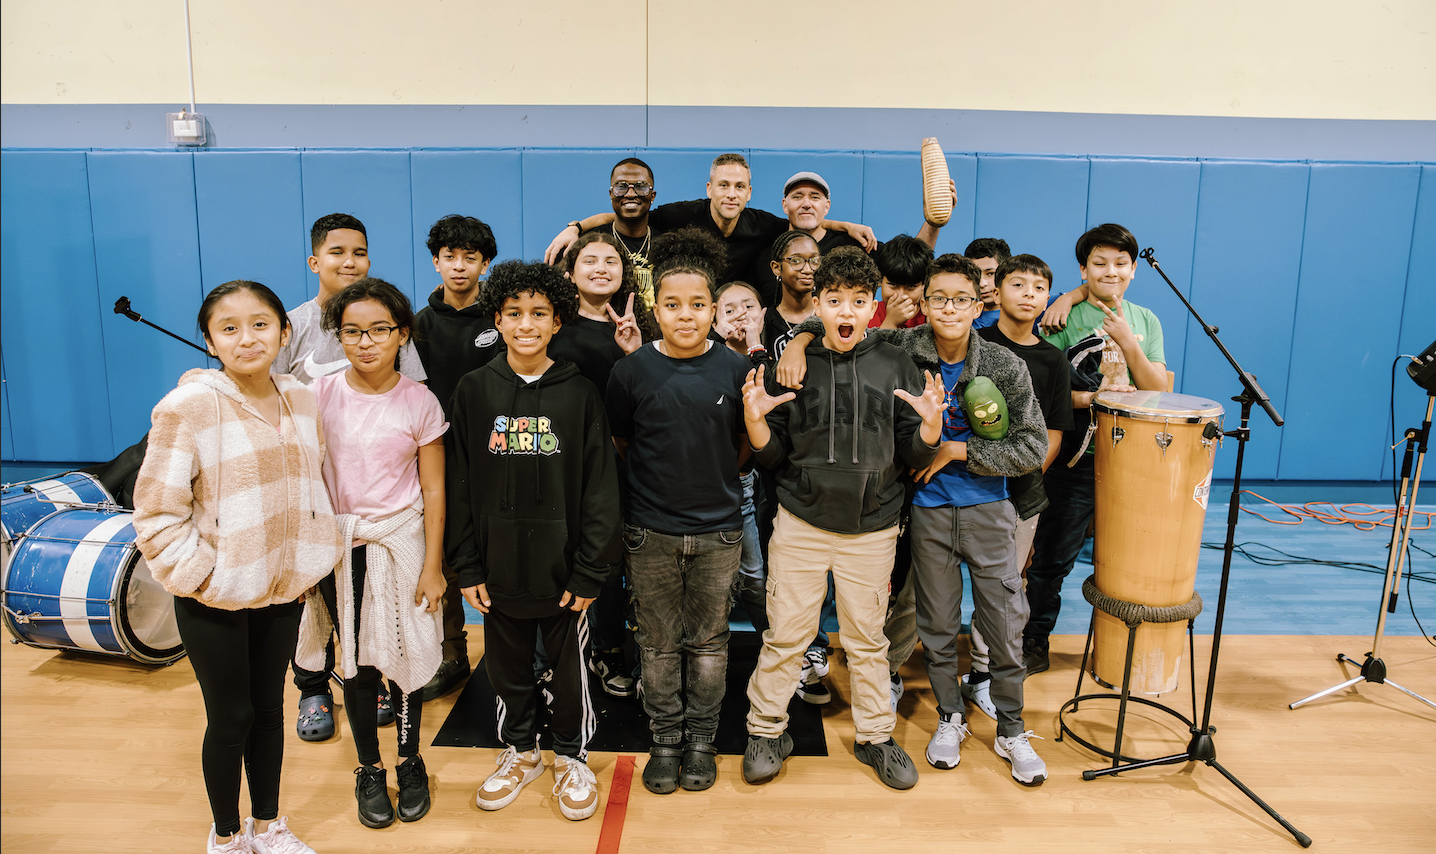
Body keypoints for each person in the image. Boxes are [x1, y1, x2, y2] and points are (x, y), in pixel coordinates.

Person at [133, 280, 335, 854]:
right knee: (231, 716)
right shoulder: (188, 407)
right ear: (210, 341)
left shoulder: (300, 397)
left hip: (280, 588)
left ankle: (269, 828)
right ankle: (226, 837)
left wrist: (304, 564)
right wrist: (204, 576)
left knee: (270, 711)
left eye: (260, 324)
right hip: (213, 595)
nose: (247, 338)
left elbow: (309, 489)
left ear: (284, 331)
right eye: (230, 328)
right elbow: (154, 511)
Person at [740, 246, 944, 792]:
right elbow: (772, 456)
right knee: (786, 634)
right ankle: (766, 728)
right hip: (801, 523)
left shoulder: (898, 362)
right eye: (834, 301)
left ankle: (876, 737)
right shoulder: (792, 363)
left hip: (872, 529)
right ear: (819, 304)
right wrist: (756, 423)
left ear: (873, 302)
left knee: (866, 639)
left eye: (858, 300)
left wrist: (928, 431)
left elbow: (914, 455)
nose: (846, 311)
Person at [448, 260, 621, 822]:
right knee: (506, 668)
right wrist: (466, 565)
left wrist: (591, 569)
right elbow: (459, 482)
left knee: (570, 672)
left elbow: (599, 488)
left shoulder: (580, 394)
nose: (527, 323)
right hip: (496, 570)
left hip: (563, 571)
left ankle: (571, 755)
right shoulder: (474, 390)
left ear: (556, 322)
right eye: (515, 313)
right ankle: (521, 751)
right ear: (496, 319)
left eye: (539, 313)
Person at [867, 255, 1049, 783]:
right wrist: (806, 340)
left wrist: (956, 452)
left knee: (1003, 624)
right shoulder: (902, 348)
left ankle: (1011, 729)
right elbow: (832, 326)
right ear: (923, 302)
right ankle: (950, 717)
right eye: (939, 298)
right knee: (938, 626)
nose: (949, 308)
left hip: (990, 510)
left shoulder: (1003, 365)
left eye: (961, 299)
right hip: (925, 513)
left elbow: (1032, 447)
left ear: (978, 304)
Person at [296, 278, 447, 829]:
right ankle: (368, 766)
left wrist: (433, 567)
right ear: (338, 336)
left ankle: (409, 761)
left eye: (379, 330)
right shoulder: (318, 395)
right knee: (356, 664)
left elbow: (434, 490)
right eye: (352, 331)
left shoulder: (420, 401)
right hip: (342, 548)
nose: (366, 342)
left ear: (401, 335)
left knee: (406, 661)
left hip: (401, 544)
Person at [607, 230, 751, 794]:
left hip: (718, 531)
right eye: (672, 305)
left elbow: (743, 446)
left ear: (714, 310)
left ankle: (701, 740)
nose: (685, 316)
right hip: (650, 533)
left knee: (711, 643)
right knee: (659, 643)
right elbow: (624, 442)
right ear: (655, 310)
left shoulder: (737, 370)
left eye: (697, 305)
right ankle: (665, 738)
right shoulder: (631, 372)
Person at [276, 213, 424, 739]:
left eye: (358, 252)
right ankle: (313, 686)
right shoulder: (290, 326)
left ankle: (369, 677)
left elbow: (409, 397)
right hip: (317, 494)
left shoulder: (384, 317)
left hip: (375, 497)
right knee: (315, 600)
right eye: (336, 252)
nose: (349, 262)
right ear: (315, 261)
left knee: (369, 606)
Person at [1023, 224, 1167, 674]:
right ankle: (1033, 641)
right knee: (1052, 561)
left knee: (1129, 564)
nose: (1111, 271)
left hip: (1133, 463)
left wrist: (1129, 344)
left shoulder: (1145, 320)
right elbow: (1041, 392)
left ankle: (1118, 649)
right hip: (1076, 461)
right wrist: (1094, 397)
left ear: (1134, 270)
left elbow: (1158, 388)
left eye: (1120, 263)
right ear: (1084, 269)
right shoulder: (1060, 317)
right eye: (1099, 263)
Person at [963, 253, 1072, 718]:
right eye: (1019, 285)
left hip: (1019, 492)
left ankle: (983, 673)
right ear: (997, 291)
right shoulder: (974, 341)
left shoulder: (1052, 359)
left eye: (1038, 288)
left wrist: (1017, 475)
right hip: (959, 485)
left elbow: (1054, 434)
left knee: (1004, 587)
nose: (1029, 295)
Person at [544, 154, 876, 303]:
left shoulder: (762, 224)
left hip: (736, 310)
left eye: (739, 187)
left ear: (748, 193)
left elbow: (801, 222)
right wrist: (576, 227)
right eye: (723, 185)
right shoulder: (681, 215)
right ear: (709, 188)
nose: (731, 194)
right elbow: (629, 211)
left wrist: (842, 224)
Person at [554, 230, 653, 696]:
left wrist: (634, 349)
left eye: (610, 260)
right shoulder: (552, 324)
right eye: (589, 260)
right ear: (570, 272)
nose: (600, 267)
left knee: (613, 562)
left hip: (625, 462)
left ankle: (608, 648)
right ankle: (549, 655)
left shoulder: (643, 326)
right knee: (561, 559)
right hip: (565, 465)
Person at [411, 214, 501, 701]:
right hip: (436, 457)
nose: (460, 266)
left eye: (470, 257)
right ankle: (450, 654)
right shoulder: (417, 327)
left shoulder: (503, 316)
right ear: (436, 262)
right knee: (441, 557)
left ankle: (512, 653)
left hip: (496, 452)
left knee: (498, 553)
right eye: (451, 257)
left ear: (485, 264)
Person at [871, 234, 936, 329]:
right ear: (880, 280)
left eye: (911, 287)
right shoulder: (869, 314)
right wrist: (891, 323)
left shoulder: (932, 316)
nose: (901, 296)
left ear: (924, 286)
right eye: (893, 285)